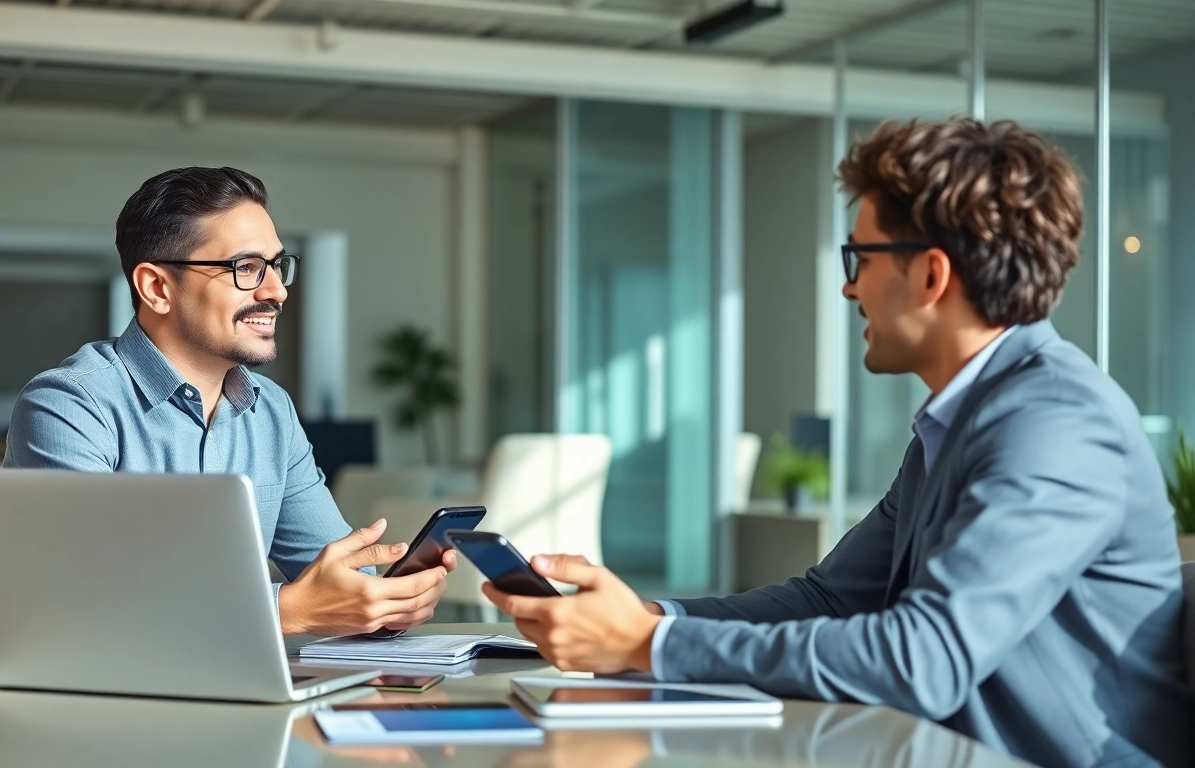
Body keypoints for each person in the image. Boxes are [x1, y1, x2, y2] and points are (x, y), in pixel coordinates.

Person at [483, 119, 1193, 768]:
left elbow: (926, 657)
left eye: (861, 258)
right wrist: (648, 619)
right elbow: (828, 597)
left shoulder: (1059, 423)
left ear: (932, 274)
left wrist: (647, 646)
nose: (850, 290)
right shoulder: (959, 421)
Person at [4, 166, 453, 637]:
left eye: (278, 266)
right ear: (157, 288)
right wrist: (285, 611)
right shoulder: (69, 405)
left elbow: (342, 585)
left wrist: (384, 602)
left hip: (239, 688)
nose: (277, 291)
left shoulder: (271, 412)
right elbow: (84, 605)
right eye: (246, 268)